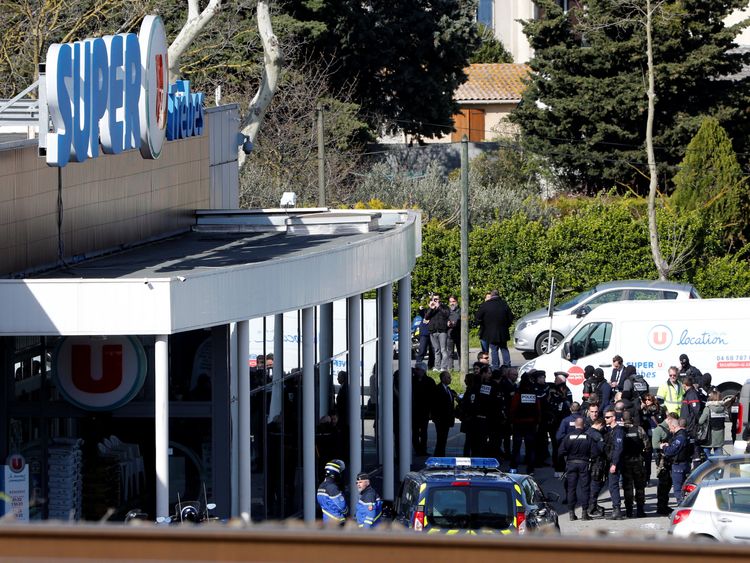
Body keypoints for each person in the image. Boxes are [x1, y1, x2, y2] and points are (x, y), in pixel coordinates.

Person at [558, 417, 600, 521]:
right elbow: (595, 453)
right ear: (583, 425)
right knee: (585, 489)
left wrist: (566, 460)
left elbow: (560, 452)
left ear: (575, 425)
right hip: (584, 465)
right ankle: (584, 513)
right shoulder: (588, 437)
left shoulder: (568, 437)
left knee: (571, 489)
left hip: (571, 464)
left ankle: (571, 513)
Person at [509, 370, 542, 474]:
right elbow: (538, 409)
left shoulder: (518, 394)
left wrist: (511, 421)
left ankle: (513, 467)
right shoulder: (533, 394)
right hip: (531, 424)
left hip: (518, 423)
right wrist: (537, 422)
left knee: (516, 447)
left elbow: (513, 408)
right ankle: (530, 469)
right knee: (530, 448)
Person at [475, 289, 514, 370]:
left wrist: (484, 324)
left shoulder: (486, 305)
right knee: (504, 348)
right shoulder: (504, 304)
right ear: (498, 295)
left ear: (491, 296)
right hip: (503, 331)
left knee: (494, 349)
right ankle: (507, 366)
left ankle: (495, 367)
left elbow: (478, 317)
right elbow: (511, 318)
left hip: (490, 332)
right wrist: (506, 325)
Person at [620, 411, 649, 518]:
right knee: (639, 487)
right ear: (631, 418)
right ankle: (640, 510)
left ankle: (628, 511)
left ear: (622, 420)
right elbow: (647, 445)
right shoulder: (639, 429)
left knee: (628, 487)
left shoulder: (621, 431)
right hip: (638, 461)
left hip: (625, 462)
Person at [661, 417, 693, 505]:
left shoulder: (680, 437)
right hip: (686, 463)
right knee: (684, 487)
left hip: (679, 465)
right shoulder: (688, 434)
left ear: (673, 426)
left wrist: (664, 447)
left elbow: (671, 451)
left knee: (678, 489)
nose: (669, 430)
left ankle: (682, 506)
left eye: (670, 427)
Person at [652, 412, 679, 515]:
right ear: (668, 420)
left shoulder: (671, 428)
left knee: (668, 483)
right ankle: (661, 506)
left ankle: (665, 505)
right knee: (663, 483)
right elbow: (655, 444)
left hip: (670, 459)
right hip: (662, 460)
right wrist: (663, 445)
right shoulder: (659, 430)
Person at [603, 407, 625, 520]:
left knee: (613, 486)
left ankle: (617, 510)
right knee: (612, 486)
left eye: (607, 417)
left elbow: (618, 448)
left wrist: (614, 464)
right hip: (610, 461)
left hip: (615, 462)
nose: (605, 419)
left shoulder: (618, 431)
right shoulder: (610, 430)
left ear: (613, 418)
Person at [431, 371, 457, 457]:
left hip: (447, 419)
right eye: (448, 377)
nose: (450, 379)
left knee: (443, 439)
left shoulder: (448, 389)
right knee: (441, 439)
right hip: (440, 419)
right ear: (443, 379)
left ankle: (441, 455)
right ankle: (438, 456)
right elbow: (436, 405)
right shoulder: (438, 389)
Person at [698, 389, 731, 457]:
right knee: (719, 459)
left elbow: (700, 421)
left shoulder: (708, 408)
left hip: (709, 437)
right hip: (720, 436)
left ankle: (709, 466)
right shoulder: (723, 408)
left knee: (706, 456)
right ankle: (719, 467)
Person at [411, 364, 435, 456]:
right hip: (414, 410)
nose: (415, 371)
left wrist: (431, 412)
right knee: (415, 431)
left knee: (424, 431)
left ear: (423, 371)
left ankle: (423, 449)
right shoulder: (412, 380)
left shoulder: (429, 381)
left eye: (417, 369)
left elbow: (433, 398)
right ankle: (417, 449)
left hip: (424, 410)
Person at [586, 418, 607, 518]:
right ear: (600, 424)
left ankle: (592, 505)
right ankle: (592, 507)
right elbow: (603, 448)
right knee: (596, 485)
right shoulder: (597, 435)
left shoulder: (586, 432)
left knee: (590, 485)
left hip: (588, 463)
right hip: (597, 463)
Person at [317, 459, 348, 525]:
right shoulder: (332, 487)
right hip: (337, 521)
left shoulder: (321, 486)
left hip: (326, 520)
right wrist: (346, 511)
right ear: (335, 473)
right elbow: (342, 506)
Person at [424, 293, 450, 371]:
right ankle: (437, 367)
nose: (435, 300)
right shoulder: (431, 307)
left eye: (437, 299)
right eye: (434, 299)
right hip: (433, 331)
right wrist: (431, 308)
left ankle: (443, 367)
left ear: (440, 299)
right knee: (436, 350)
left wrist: (439, 306)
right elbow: (426, 317)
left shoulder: (444, 307)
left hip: (442, 331)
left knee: (443, 350)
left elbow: (447, 314)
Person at [446, 295, 461, 370]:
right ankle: (450, 368)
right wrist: (447, 323)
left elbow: (465, 321)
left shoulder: (461, 310)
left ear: (457, 302)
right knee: (450, 353)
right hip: (450, 335)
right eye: (450, 301)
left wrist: (455, 323)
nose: (452, 303)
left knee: (460, 353)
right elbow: (443, 321)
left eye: (453, 301)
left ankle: (462, 368)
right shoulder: (447, 311)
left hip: (459, 335)